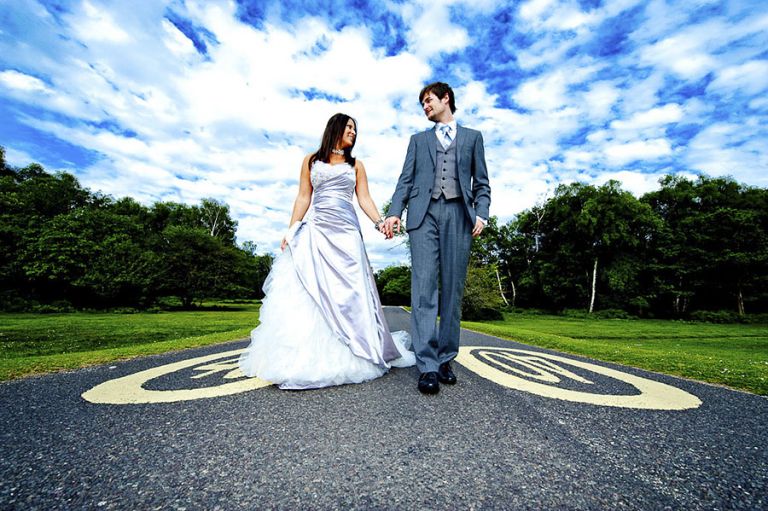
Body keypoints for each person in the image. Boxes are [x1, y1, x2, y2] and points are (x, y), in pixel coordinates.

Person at [239, 113, 415, 389]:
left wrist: (380, 222)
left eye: (356, 129)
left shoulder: (356, 165)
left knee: (352, 290)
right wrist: (291, 229)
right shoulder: (311, 160)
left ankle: (358, 349)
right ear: (335, 128)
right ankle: (307, 356)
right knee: (310, 287)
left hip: (346, 233)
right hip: (317, 230)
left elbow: (364, 198)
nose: (353, 133)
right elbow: (303, 196)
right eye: (349, 127)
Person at [383, 82, 491, 394]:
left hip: (460, 215)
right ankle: (427, 365)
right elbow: (405, 179)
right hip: (422, 215)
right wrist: (394, 212)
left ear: (446, 99)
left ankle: (446, 359)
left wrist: (481, 213)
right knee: (424, 288)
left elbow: (481, 182)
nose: (425, 107)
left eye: (428, 101)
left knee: (453, 290)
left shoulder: (473, 138)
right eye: (423, 104)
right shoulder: (418, 141)